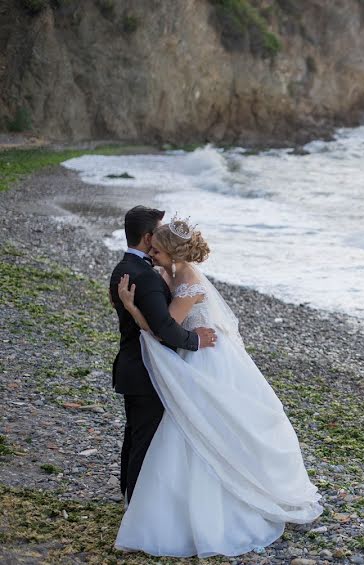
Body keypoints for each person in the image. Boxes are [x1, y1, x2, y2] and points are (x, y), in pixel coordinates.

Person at [113, 216, 322, 557]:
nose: (151, 252)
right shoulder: (172, 272)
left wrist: (132, 307)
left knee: (200, 429)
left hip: (206, 359)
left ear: (171, 253)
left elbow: (162, 330)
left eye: (157, 249)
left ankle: (208, 508)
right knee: (195, 428)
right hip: (200, 353)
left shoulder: (188, 282)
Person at [109, 206, 217, 505]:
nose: (156, 245)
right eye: (155, 237)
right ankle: (137, 504)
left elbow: (160, 326)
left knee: (137, 436)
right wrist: (195, 341)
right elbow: (164, 329)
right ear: (147, 237)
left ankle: (132, 498)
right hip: (146, 369)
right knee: (143, 439)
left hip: (138, 366)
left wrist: (132, 309)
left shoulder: (126, 268)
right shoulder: (147, 275)